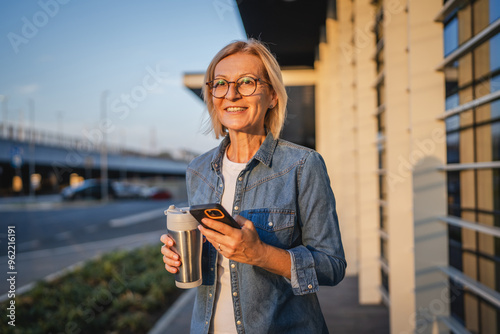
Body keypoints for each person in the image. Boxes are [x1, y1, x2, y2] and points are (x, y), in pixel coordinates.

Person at [160, 39, 346, 334]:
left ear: (272, 95)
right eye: (220, 83)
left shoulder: (302, 165)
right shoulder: (197, 170)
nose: (231, 93)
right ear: (212, 95)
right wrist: (180, 256)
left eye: (246, 82)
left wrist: (261, 254)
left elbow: (333, 266)